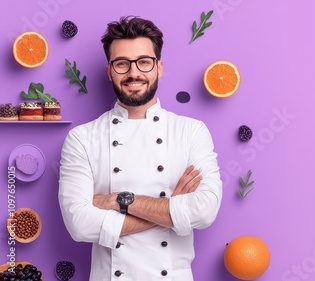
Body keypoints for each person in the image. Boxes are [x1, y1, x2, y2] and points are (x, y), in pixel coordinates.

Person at [58, 16, 223, 281]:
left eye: (144, 62)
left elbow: (204, 211)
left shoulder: (191, 131)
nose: (134, 73)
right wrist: (171, 208)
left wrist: (118, 200)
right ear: (109, 71)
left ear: (159, 67)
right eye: (122, 63)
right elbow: (79, 225)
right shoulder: (82, 138)